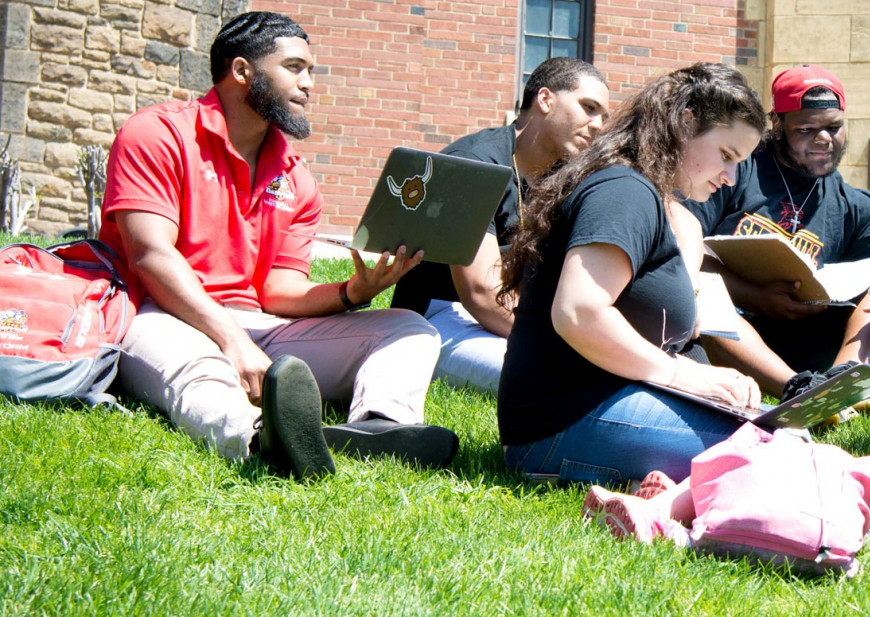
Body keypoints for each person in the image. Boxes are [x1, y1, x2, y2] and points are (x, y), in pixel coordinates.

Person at [99, 12, 459, 479]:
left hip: (260, 325)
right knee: (200, 368)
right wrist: (230, 338)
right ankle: (259, 438)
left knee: (408, 328)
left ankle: (379, 427)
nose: (309, 84)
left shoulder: (297, 178)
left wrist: (354, 292)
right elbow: (151, 257)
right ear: (242, 71)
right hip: (159, 313)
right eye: (294, 67)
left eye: (311, 71)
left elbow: (278, 292)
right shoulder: (156, 133)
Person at [495, 63, 768, 485]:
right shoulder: (624, 190)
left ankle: (665, 500)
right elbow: (579, 312)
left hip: (597, 408)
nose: (731, 178)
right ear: (684, 123)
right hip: (563, 424)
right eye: (727, 156)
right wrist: (685, 376)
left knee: (783, 442)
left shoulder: (644, 192)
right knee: (775, 453)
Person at [685, 65, 870, 410]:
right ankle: (799, 391)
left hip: (807, 333)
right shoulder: (734, 170)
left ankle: (844, 379)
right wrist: (756, 295)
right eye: (807, 129)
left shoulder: (855, 204)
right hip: (734, 329)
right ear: (778, 126)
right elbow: (679, 243)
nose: (824, 139)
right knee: (701, 290)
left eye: (834, 127)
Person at [390, 57, 611, 393]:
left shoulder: (565, 177)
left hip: (514, 315)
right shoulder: (473, 164)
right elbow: (480, 293)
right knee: (555, 380)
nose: (597, 124)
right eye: (588, 107)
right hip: (438, 317)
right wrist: (565, 340)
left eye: (602, 116)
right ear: (546, 99)